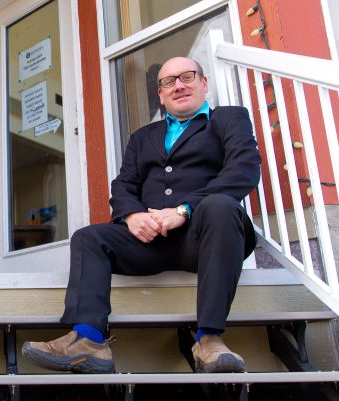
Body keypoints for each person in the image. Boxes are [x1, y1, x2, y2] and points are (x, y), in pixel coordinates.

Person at [22, 56, 260, 374]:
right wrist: (132, 216)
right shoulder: (142, 137)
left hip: (205, 238)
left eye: (187, 77)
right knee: (89, 237)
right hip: (150, 241)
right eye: (168, 82)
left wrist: (183, 210)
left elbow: (242, 170)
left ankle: (209, 340)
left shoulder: (229, 120)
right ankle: (89, 341)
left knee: (220, 205)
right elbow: (123, 186)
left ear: (204, 83)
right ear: (160, 95)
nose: (178, 85)